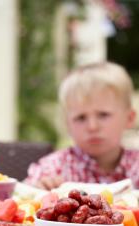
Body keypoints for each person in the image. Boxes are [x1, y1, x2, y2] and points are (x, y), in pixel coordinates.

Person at [25, 61, 139, 190]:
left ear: (129, 118)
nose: (92, 126)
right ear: (67, 125)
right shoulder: (53, 169)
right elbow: (23, 197)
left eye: (103, 115)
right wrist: (38, 190)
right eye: (81, 118)